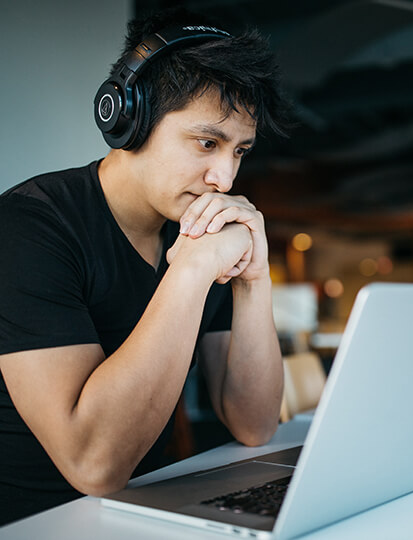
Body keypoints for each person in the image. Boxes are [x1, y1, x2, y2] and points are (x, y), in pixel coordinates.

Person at [0, 7, 290, 526]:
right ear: (130, 119)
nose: (224, 177)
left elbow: (255, 424)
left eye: (239, 151)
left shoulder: (198, 227)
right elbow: (93, 465)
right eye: (207, 143)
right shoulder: (29, 227)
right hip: (38, 524)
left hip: (148, 513)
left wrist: (253, 278)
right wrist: (191, 272)